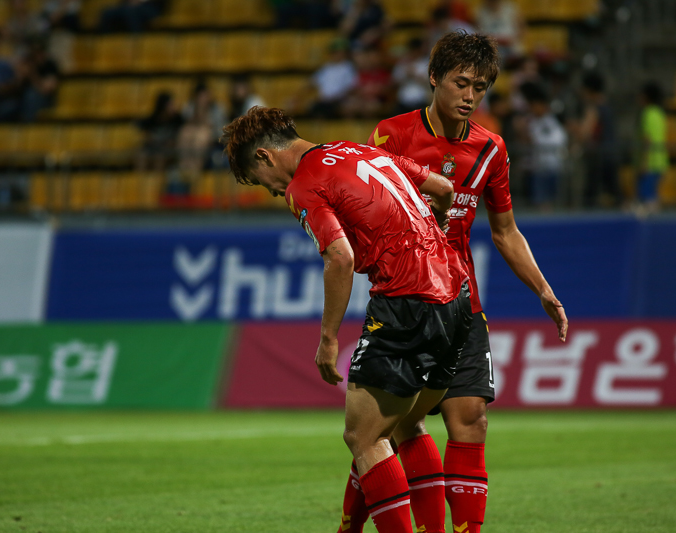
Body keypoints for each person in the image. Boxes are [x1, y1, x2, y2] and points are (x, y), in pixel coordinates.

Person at [339, 30, 568, 533]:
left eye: (480, 87)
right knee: (392, 427)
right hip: (407, 302)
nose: (470, 96)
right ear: (433, 78)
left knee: (471, 420)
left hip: (463, 304)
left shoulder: (491, 149)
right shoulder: (392, 135)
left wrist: (544, 290)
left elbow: (505, 231)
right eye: (461, 83)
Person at [220, 106, 473, 533]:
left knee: (363, 438)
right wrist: (441, 220)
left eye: (260, 180)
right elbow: (443, 187)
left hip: (406, 300)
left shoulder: (302, 184)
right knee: (405, 424)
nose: (271, 191)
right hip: (457, 295)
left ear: (265, 156)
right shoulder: (362, 150)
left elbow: (340, 258)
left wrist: (328, 339)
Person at [520, 82, 567, 210]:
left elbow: (558, 139)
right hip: (537, 167)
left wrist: (535, 140)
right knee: (538, 203)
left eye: (536, 106)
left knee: (553, 203)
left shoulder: (551, 121)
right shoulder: (532, 122)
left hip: (553, 166)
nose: (534, 109)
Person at [578, 71, 621, 208]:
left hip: (599, 158)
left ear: (589, 90)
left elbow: (585, 132)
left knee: (590, 197)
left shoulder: (593, 109)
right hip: (610, 154)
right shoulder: (608, 107)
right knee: (615, 194)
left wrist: (571, 127)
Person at [635, 81, 668, 215]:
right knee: (652, 196)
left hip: (650, 162)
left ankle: (649, 224)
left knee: (647, 198)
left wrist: (644, 162)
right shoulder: (660, 113)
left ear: (646, 97)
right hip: (661, 161)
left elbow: (647, 140)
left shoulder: (647, 113)